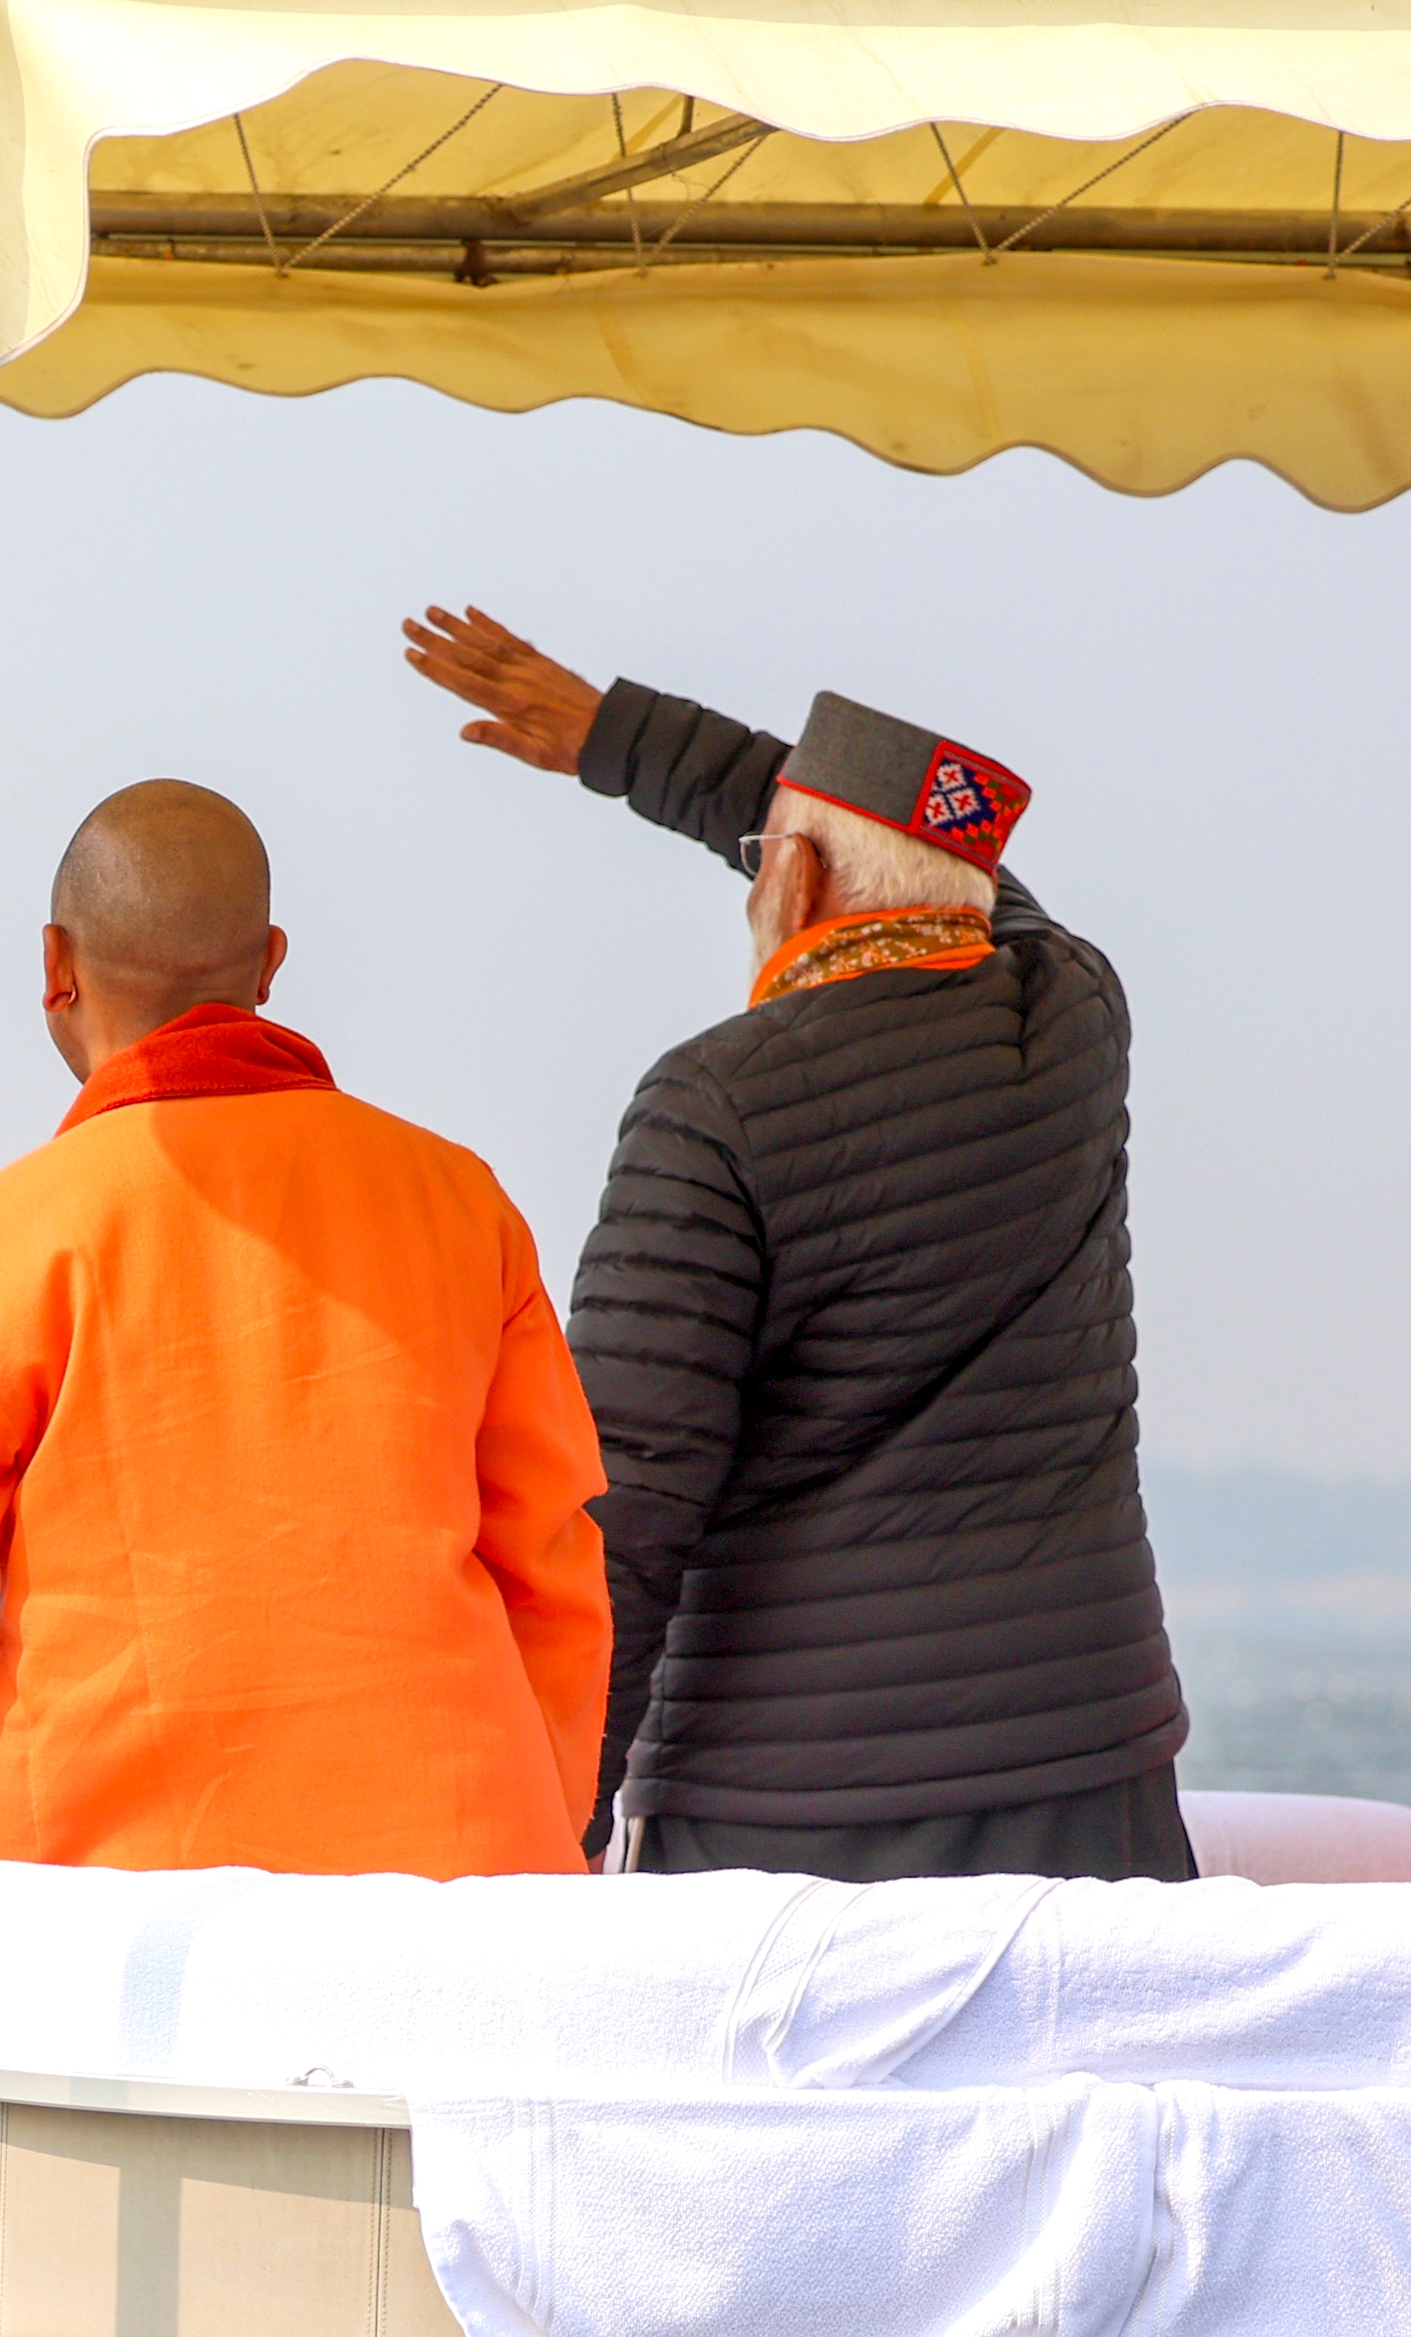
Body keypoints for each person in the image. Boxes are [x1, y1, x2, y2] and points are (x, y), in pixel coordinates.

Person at [0, 780, 611, 2014]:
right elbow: (555, 1567)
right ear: (268, 965)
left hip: (126, 1947)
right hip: (462, 1913)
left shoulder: (4, 1246)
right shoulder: (460, 1202)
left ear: (54, 966)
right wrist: (545, 1841)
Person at [403, 607, 1193, 1883]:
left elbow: (628, 1504)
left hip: (792, 1813)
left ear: (796, 882)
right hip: (1094, 1778)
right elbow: (970, 878)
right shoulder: (1076, 1013)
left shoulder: (713, 1103)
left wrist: (561, 1812)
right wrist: (623, 739)